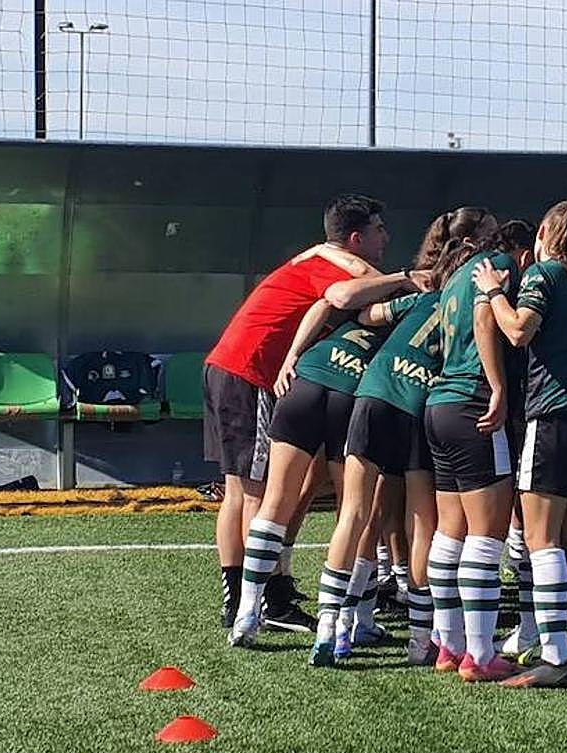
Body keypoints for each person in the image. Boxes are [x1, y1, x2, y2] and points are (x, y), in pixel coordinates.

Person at [203, 194, 418, 629]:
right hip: (252, 369)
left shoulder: (318, 258)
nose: (386, 238)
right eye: (378, 231)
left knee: (241, 490)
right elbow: (344, 292)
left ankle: (245, 596)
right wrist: (403, 279)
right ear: (354, 239)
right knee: (255, 493)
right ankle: (264, 600)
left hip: (227, 364)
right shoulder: (334, 264)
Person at [308, 210, 490, 667]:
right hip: (416, 407)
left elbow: (368, 313)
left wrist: (405, 287)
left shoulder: (417, 301)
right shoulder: (466, 305)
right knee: (420, 522)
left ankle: (332, 626)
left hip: (373, 394)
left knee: (353, 511)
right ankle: (420, 637)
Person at [474, 197, 567, 687]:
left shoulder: (546, 272)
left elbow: (517, 331)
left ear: (550, 234)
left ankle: (555, 658)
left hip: (553, 414)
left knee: (541, 539)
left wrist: (493, 291)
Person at [227, 282, 392, 648]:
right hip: (351, 392)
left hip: (308, 376)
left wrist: (292, 355)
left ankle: (247, 614)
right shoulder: (410, 303)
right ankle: (355, 618)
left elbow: (323, 304)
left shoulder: (354, 300)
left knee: (275, 502)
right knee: (354, 511)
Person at [423, 210, 522, 683]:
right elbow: (487, 317)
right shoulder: (493, 264)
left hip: (440, 404)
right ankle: (480, 655)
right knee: (487, 535)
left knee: (450, 532)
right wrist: (499, 386)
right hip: (473, 405)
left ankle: (448, 642)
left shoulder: (451, 277)